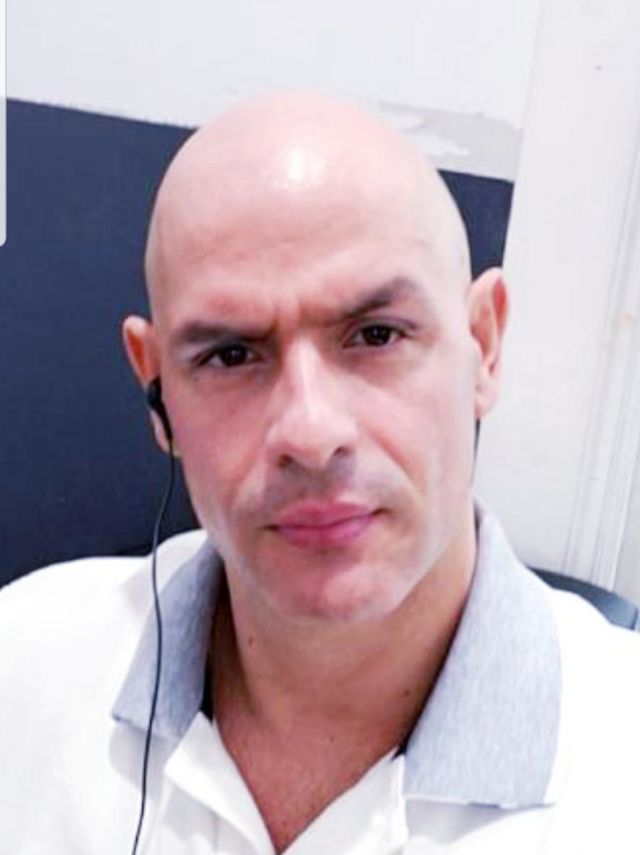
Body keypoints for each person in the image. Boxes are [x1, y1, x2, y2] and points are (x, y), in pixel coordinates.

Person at [1, 91, 639, 855]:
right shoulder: (24, 663)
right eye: (231, 354)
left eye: (376, 335)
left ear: (484, 344)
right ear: (158, 387)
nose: (309, 433)